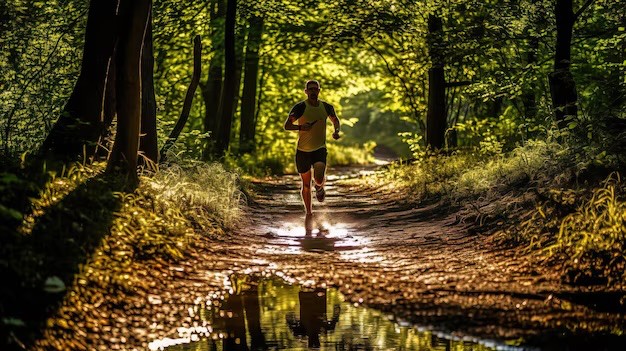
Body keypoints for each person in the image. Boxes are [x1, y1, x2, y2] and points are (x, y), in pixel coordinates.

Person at [284, 79, 341, 215]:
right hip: (302, 151)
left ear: (319, 91)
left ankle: (319, 187)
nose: (313, 92)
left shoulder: (327, 107)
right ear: (306, 92)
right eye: (310, 89)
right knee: (305, 185)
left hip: (319, 149)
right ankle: (309, 213)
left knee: (319, 178)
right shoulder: (299, 108)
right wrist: (300, 127)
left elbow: (335, 120)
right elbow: (287, 125)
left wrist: (337, 130)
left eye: (315, 89)